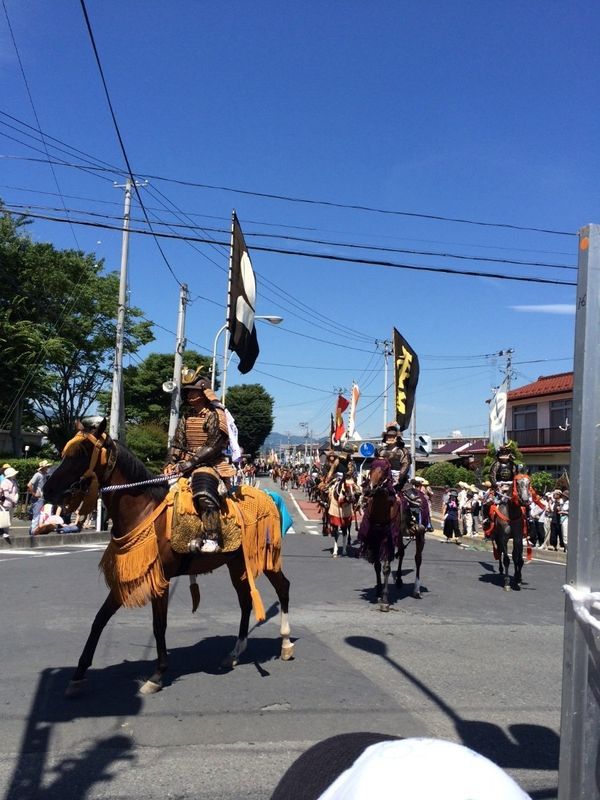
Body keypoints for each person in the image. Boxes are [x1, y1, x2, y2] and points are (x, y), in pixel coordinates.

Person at [164, 366, 236, 554]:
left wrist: (191, 462)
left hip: (211, 464)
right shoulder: (186, 417)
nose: (189, 395)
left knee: (204, 493)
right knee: (160, 490)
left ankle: (213, 537)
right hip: (185, 464)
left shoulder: (215, 415)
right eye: (187, 391)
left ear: (204, 392)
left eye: (193, 391)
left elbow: (214, 445)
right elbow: (177, 443)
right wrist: (170, 462)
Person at [378, 422, 411, 491]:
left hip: (399, 478)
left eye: (392, 436)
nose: (390, 438)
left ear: (397, 438)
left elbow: (406, 464)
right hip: (382, 477)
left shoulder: (403, 451)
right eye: (388, 436)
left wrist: (399, 477)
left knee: (411, 495)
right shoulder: (380, 450)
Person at [27, 460, 52, 535]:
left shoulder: (44, 475)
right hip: (38, 499)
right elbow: (29, 484)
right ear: (43, 468)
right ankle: (33, 531)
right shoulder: (38, 475)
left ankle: (33, 530)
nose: (48, 468)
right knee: (37, 515)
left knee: (39, 514)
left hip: (41, 498)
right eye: (47, 467)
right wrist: (34, 494)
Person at [0, 466, 19, 541]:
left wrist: (16, 498)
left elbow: (16, 491)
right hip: (6, 503)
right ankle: (5, 532)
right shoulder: (5, 482)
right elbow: (6, 494)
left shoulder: (14, 481)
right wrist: (14, 499)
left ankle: (6, 532)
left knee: (10, 518)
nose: (15, 475)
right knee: (5, 518)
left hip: (12, 503)